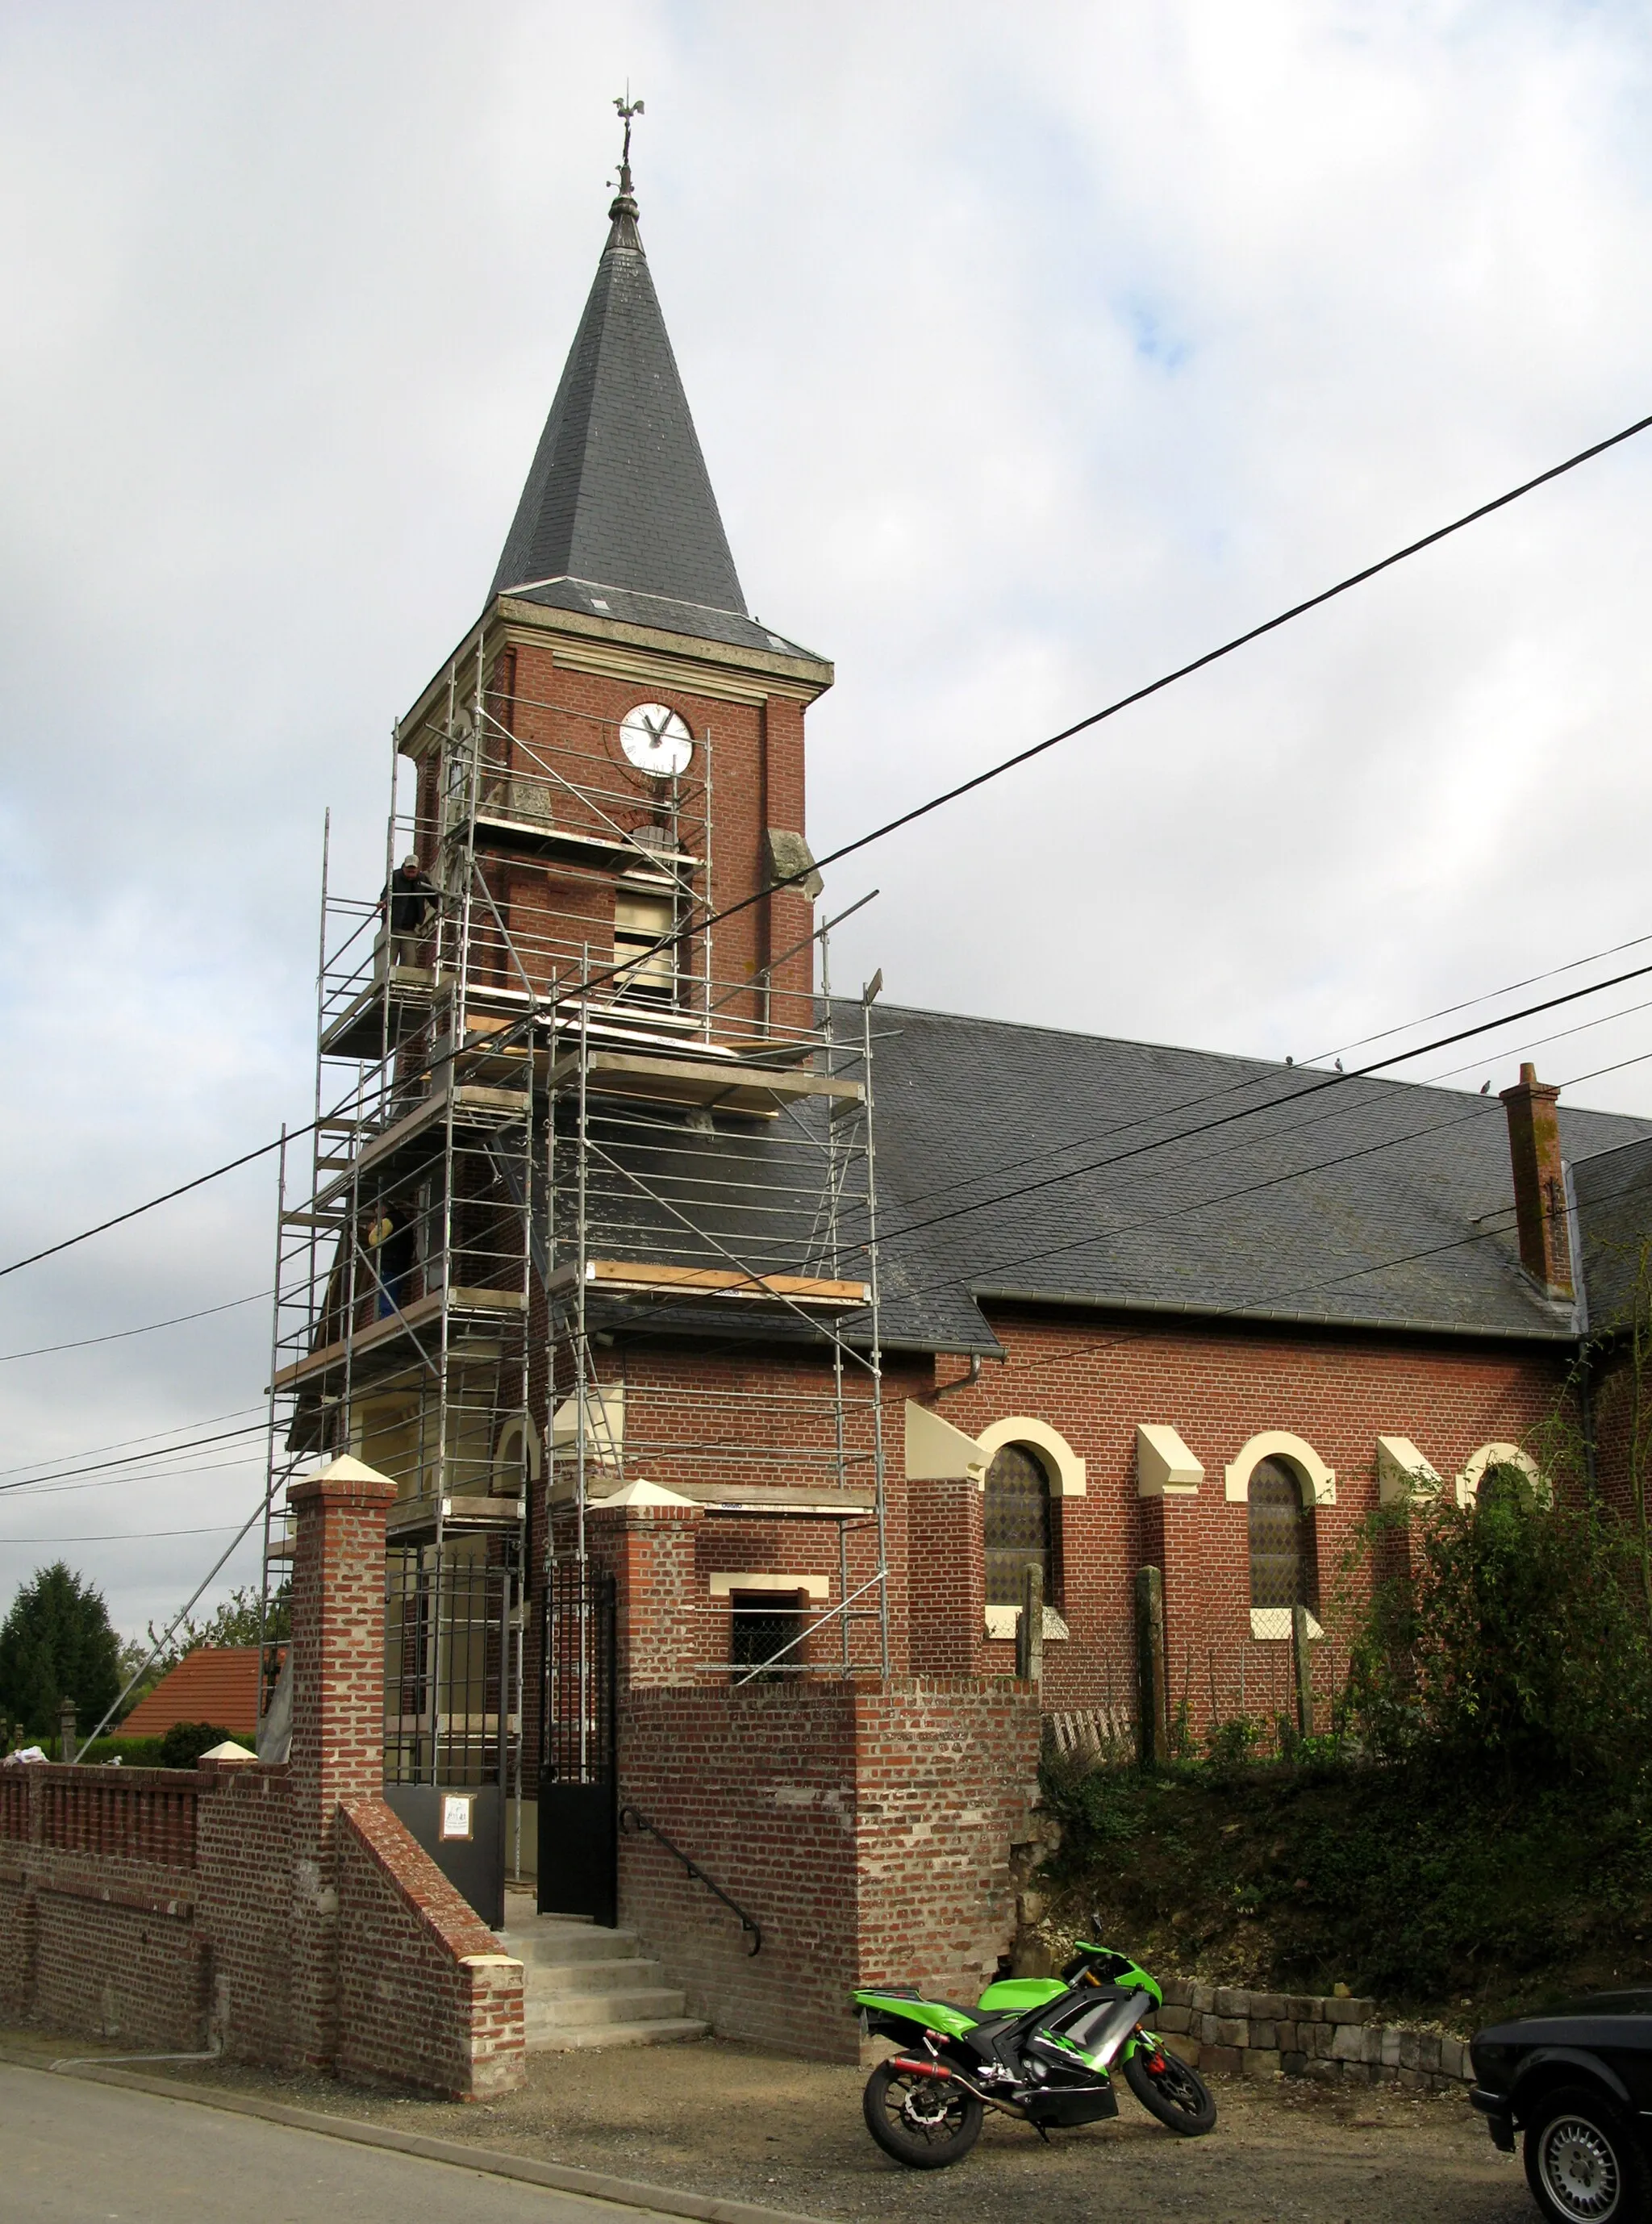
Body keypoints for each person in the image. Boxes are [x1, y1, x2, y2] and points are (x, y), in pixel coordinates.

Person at [382, 856, 438, 969]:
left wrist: (442, 909)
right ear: (403, 868)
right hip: (393, 926)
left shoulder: (422, 879)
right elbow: (386, 893)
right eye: (408, 871)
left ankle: (400, 984)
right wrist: (383, 902)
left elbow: (433, 897)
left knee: (409, 963)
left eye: (413, 871)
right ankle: (387, 981)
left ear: (418, 870)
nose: (411, 874)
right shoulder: (396, 877)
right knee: (388, 962)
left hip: (411, 929)